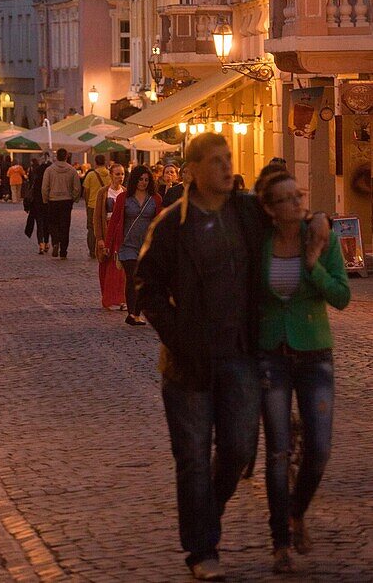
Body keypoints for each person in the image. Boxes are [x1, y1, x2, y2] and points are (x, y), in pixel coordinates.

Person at [135, 133, 329, 581]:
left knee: (240, 450)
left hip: (240, 356)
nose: (227, 167)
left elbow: (288, 216)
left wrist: (317, 219)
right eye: (216, 161)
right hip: (188, 365)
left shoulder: (245, 212)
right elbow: (146, 287)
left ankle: (208, 512)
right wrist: (178, 335)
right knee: (192, 457)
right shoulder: (171, 224)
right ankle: (202, 551)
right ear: (193, 171)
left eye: (228, 159)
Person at [256, 173, 350, 575]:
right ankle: (280, 541)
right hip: (271, 356)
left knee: (319, 449)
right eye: (286, 199)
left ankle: (297, 512)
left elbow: (343, 297)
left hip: (314, 353)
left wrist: (314, 265)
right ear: (270, 209)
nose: (297, 203)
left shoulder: (322, 240)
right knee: (278, 452)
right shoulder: (258, 244)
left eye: (298, 195)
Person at [109, 165, 162, 326]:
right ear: (135, 180)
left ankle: (137, 312)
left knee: (143, 280)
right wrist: (107, 242)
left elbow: (160, 222)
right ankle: (132, 313)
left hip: (147, 246)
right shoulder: (124, 198)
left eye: (146, 180)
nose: (143, 183)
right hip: (127, 245)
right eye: (140, 179)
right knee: (132, 278)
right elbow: (115, 221)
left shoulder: (155, 199)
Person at [93, 162, 128, 308]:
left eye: (122, 174)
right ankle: (108, 297)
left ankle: (121, 299)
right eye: (117, 174)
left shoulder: (126, 192)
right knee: (106, 267)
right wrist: (100, 238)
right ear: (111, 175)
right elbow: (97, 217)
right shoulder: (103, 192)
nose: (120, 177)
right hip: (107, 231)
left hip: (121, 234)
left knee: (120, 268)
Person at [41, 147, 81, 259]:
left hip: (53, 200)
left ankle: (55, 241)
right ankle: (63, 251)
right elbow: (77, 188)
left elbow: (44, 187)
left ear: (56, 156)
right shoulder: (72, 170)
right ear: (67, 156)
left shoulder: (49, 170)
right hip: (66, 201)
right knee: (65, 225)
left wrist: (45, 199)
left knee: (53, 223)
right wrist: (74, 198)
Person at [82, 154, 111, 258]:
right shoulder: (109, 175)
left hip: (92, 204)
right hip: (105, 205)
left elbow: (86, 191)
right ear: (105, 162)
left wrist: (87, 203)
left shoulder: (91, 175)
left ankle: (92, 251)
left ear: (95, 162)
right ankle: (104, 249)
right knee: (104, 227)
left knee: (91, 228)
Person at [27, 156, 51, 254]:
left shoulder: (36, 181)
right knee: (47, 224)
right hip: (47, 204)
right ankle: (46, 243)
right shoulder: (49, 182)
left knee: (39, 225)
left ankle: (41, 244)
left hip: (37, 205)